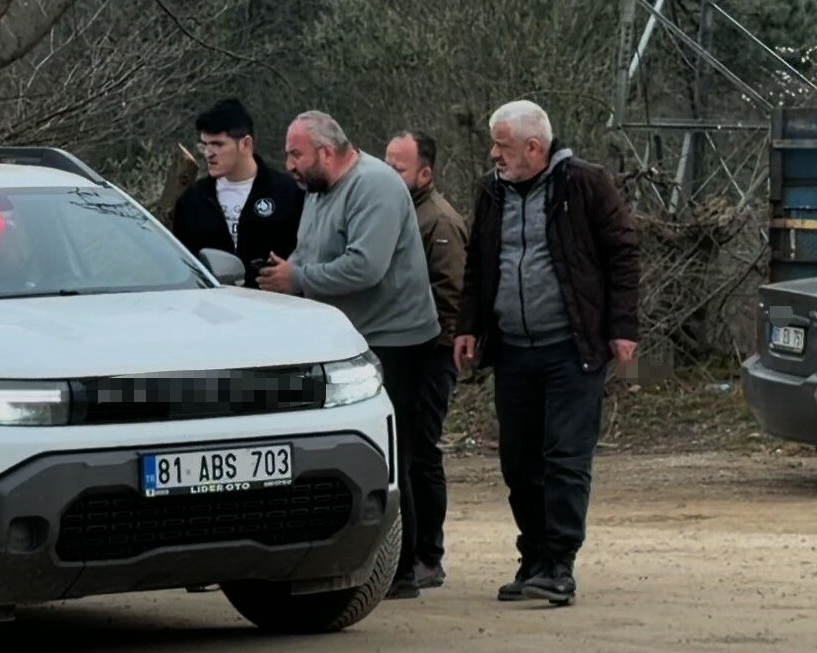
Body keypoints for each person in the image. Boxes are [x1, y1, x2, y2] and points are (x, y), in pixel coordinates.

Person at [452, 100, 641, 607]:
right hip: (513, 350)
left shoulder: (585, 184)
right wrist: (468, 326)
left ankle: (560, 564)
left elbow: (623, 253)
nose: (494, 155)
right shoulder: (491, 191)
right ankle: (533, 557)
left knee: (564, 458)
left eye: (502, 146)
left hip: (571, 349)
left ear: (534, 147)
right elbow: (478, 262)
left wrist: (622, 327)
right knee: (519, 463)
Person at [258, 111, 441, 599]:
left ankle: (402, 569)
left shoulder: (374, 186)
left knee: (390, 452)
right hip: (348, 339)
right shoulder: (319, 191)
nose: (289, 165)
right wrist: (283, 275)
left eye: (296, 154)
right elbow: (310, 251)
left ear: (326, 151)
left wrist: (299, 280)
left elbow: (365, 267)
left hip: (395, 340)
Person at [384, 130, 468, 591]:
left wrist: (440, 354)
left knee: (421, 452)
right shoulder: (399, 212)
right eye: (385, 164)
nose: (388, 174)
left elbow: (450, 296)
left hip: (432, 355)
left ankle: (428, 556)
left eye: (397, 168)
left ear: (425, 173)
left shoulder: (439, 221)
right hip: (405, 352)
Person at [169, 98, 304, 287]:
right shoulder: (193, 201)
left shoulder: (289, 194)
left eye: (218, 145)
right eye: (204, 145)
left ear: (245, 144)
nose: (208, 153)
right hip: (211, 302)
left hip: (274, 301)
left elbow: (309, 254)